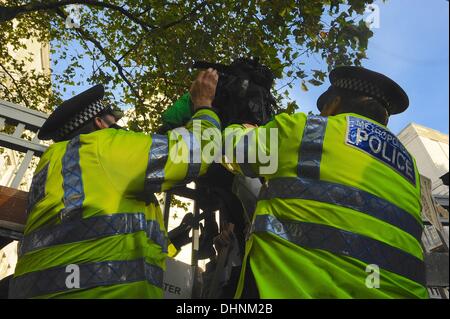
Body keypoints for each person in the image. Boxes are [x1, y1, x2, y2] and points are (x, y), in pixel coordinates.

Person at [9, 68, 221, 298]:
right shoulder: (102, 147)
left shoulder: (49, 164)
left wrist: (170, 243)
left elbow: (91, 232)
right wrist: (203, 104)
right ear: (100, 122)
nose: (120, 126)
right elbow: (198, 150)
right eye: (114, 120)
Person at [223, 66, 428, 298]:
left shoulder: (308, 130)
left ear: (333, 105)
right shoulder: (411, 168)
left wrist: (242, 129)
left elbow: (232, 151)